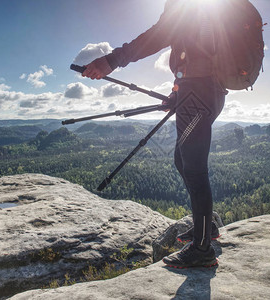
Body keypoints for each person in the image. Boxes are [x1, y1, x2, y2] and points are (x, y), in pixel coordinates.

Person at [82, 0, 226, 268]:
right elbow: (192, 52)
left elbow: (158, 35)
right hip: (203, 90)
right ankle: (205, 230)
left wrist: (112, 60)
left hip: (198, 93)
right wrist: (176, 93)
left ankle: (203, 249)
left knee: (194, 169)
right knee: (183, 162)